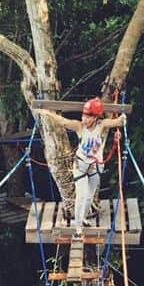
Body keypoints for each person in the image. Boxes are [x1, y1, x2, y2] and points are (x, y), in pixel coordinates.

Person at [34, 97, 125, 238]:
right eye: (83, 115)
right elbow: (63, 121)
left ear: (95, 118)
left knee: (89, 199)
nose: (84, 119)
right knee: (81, 197)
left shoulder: (102, 125)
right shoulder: (79, 127)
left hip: (95, 167)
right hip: (81, 166)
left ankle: (82, 218)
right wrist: (46, 113)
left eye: (88, 117)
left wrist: (122, 120)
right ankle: (78, 228)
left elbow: (117, 122)